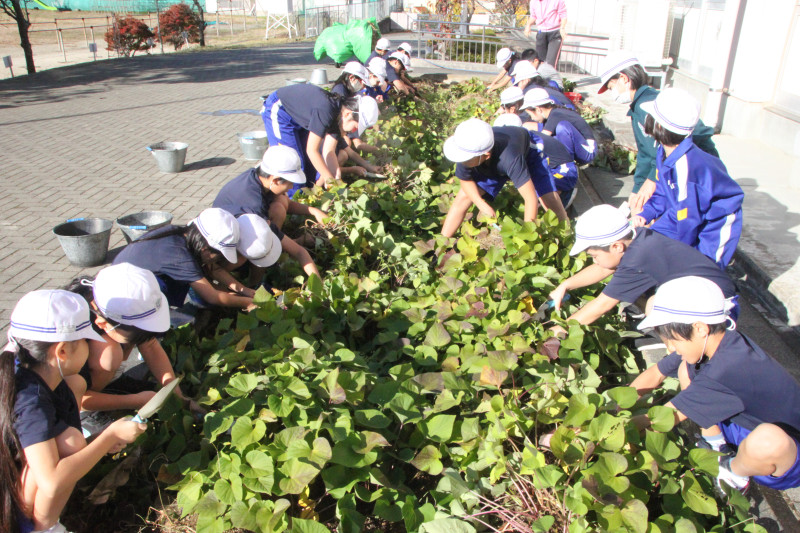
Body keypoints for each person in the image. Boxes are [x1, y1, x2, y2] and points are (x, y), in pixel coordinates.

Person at [630, 276, 800, 493]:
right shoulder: (715, 342)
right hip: (747, 424)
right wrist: (616, 406)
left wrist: (613, 431)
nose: (670, 348)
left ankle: (734, 473)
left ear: (700, 328)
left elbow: (666, 417)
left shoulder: (729, 368)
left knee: (768, 441)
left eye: (672, 340)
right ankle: (716, 443)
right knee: (684, 368)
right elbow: (656, 373)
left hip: (784, 452)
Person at [0, 290, 146, 533]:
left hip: (13, 476)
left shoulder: (31, 372)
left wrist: (100, 442)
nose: (92, 346)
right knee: (72, 443)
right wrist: (109, 436)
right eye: (86, 341)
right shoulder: (30, 401)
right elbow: (51, 480)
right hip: (12, 494)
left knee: (74, 415)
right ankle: (41, 528)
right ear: (62, 351)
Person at [548, 204, 737, 332]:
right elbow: (604, 267)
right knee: (650, 301)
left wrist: (561, 328)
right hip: (709, 289)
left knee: (655, 307)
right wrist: (565, 285)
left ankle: (683, 348)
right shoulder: (635, 238)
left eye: (594, 256)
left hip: (720, 304)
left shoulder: (637, 260)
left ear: (616, 246)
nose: (594, 261)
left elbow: (601, 305)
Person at [62, 264, 203, 421]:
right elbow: (78, 399)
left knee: (114, 350)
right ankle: (91, 413)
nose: (142, 342)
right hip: (70, 399)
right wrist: (133, 401)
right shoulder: (71, 338)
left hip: (96, 368)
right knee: (110, 353)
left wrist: (176, 393)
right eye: (135, 340)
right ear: (103, 323)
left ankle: (109, 387)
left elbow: (150, 345)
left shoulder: (127, 298)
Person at [597, 51, 718, 215]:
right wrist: (638, 189)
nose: (613, 94)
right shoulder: (644, 102)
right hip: (690, 165)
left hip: (697, 168)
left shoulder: (646, 108)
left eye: (612, 87)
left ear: (624, 79)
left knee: (684, 215)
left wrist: (650, 183)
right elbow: (646, 155)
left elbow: (659, 154)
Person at [634, 88, 743, 269]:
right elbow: (662, 192)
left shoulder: (687, 167)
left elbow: (687, 219)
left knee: (704, 269)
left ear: (658, 126)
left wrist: (675, 252)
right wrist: (646, 214)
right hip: (684, 213)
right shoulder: (664, 152)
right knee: (651, 246)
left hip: (715, 224)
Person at [440, 118, 567, 238]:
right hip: (494, 158)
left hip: (530, 153)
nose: (461, 162)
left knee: (548, 197)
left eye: (465, 159)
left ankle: (566, 233)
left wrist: (527, 237)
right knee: (464, 196)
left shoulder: (510, 159)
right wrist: (481, 204)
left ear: (486, 155)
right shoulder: (469, 150)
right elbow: (465, 179)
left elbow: (530, 199)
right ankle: (441, 244)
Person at [213, 145, 322, 282]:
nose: (290, 188)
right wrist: (318, 284)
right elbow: (299, 252)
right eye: (290, 184)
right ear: (276, 180)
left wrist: (313, 211)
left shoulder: (257, 177)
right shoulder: (255, 208)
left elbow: (286, 203)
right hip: (222, 248)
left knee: (280, 201)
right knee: (261, 248)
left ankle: (275, 248)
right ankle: (254, 282)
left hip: (239, 224)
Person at [113, 208, 254, 310]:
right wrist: (248, 303)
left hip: (122, 278)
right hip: (122, 294)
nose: (214, 261)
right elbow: (212, 297)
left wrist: (245, 291)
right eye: (216, 256)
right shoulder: (180, 256)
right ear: (205, 249)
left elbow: (213, 269)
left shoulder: (180, 234)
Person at [261, 83, 362, 190]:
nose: (354, 131)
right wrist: (328, 178)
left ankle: (308, 195)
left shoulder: (338, 117)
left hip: (297, 119)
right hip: (280, 111)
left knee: (310, 166)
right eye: (355, 127)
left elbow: (329, 152)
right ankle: (293, 201)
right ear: (348, 114)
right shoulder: (326, 111)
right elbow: (312, 150)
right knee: (292, 164)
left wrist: (336, 177)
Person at [495, 113, 580, 209]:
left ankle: (566, 195)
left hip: (564, 171)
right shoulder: (519, 142)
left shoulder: (531, 143)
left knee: (541, 192)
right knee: (527, 189)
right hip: (550, 167)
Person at [520, 88, 596, 165]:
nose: (532, 118)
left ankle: (568, 163)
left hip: (588, 151)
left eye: (531, 115)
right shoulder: (553, 113)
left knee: (562, 127)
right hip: (581, 148)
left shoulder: (556, 115)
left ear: (538, 109)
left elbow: (542, 138)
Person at [523, 0, 567, 67]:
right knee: (540, 61)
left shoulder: (557, 1)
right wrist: (528, 25)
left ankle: (550, 76)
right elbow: (533, 16)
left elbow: (563, 15)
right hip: (541, 32)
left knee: (550, 63)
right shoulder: (533, 2)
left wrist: (562, 28)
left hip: (555, 33)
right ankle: (541, 77)